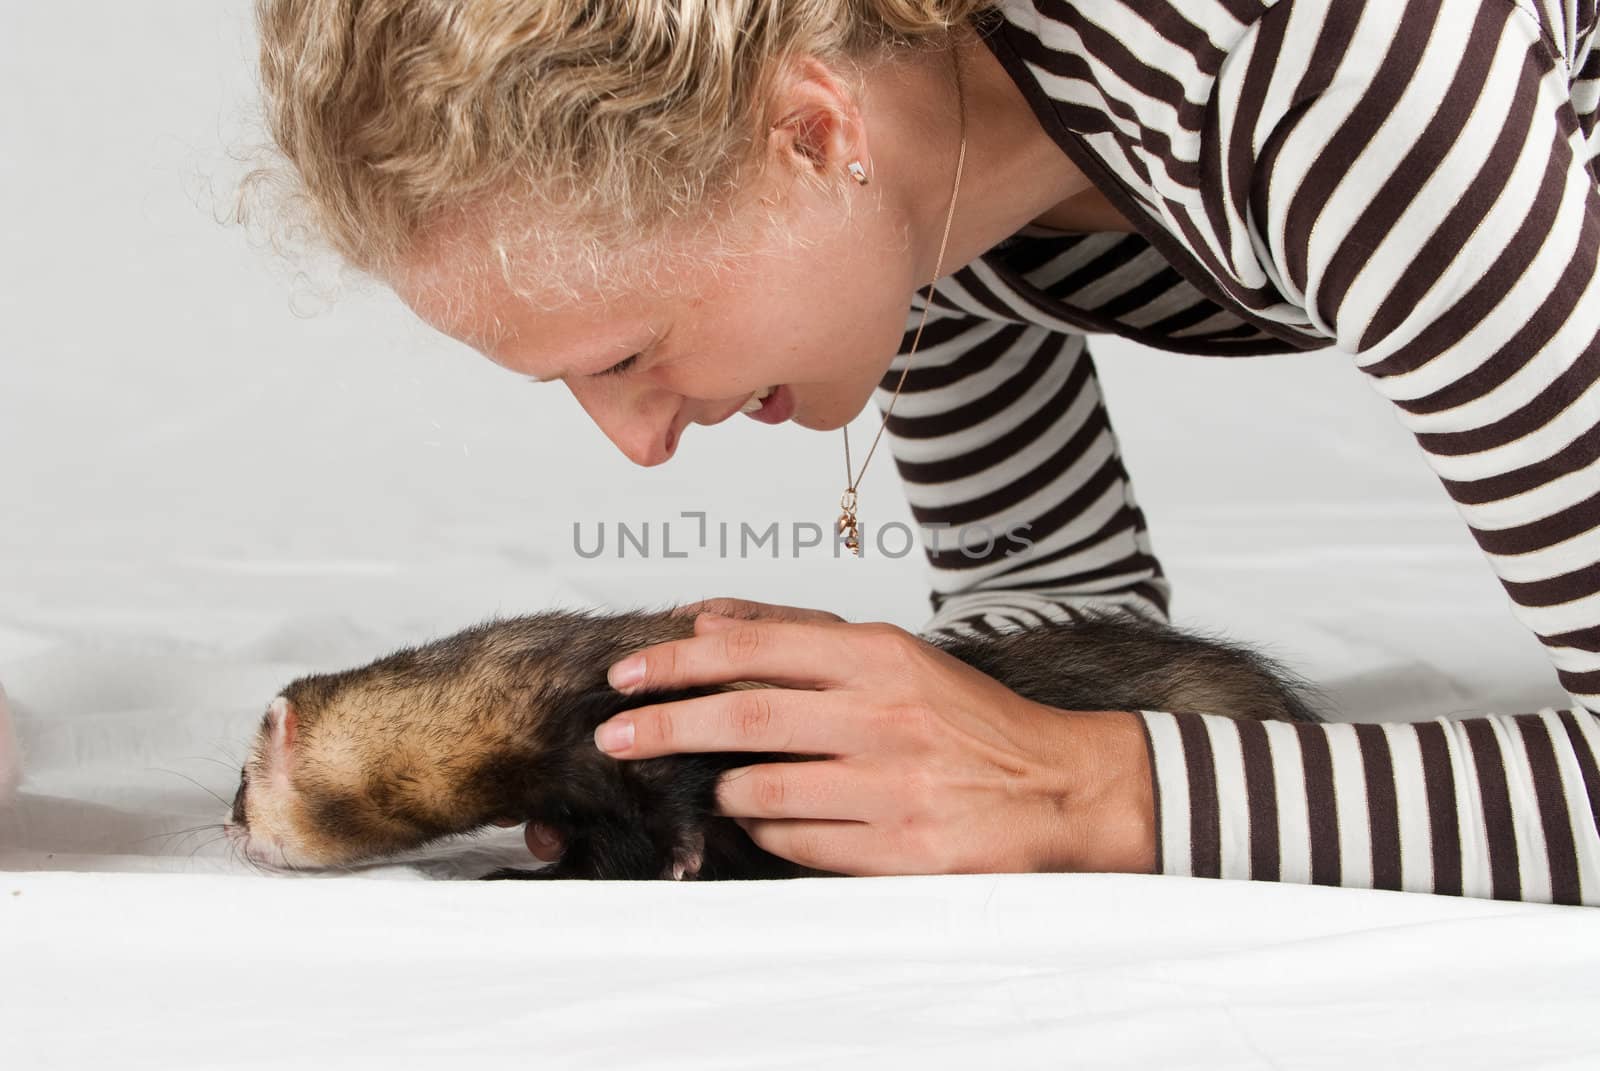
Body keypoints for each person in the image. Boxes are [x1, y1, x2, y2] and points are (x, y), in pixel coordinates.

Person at [247, 0, 1600, 904]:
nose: (641, 446)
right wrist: (802, 772)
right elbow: (1078, 616)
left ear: (811, 134)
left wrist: (1092, 790)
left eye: (627, 353)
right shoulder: (913, 187)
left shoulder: (1329, 80)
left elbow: (1070, 754)